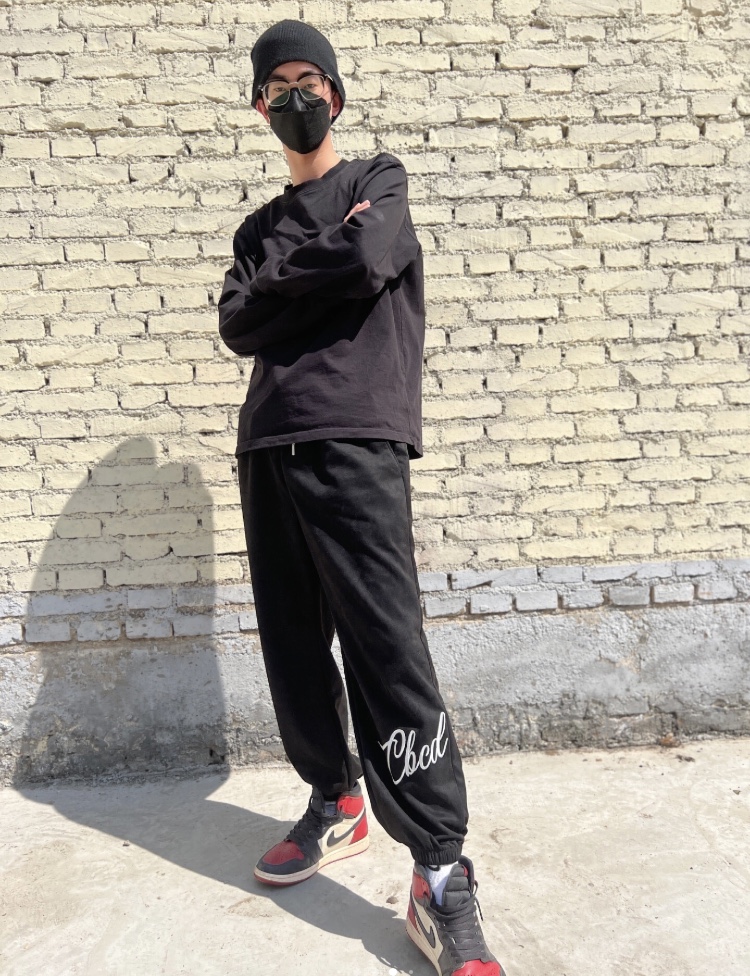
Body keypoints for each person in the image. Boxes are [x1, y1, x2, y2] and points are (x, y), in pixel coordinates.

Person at [217, 19, 506, 976]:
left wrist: (286, 286)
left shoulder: (378, 181)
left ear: (335, 94)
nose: (295, 98)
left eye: (310, 81)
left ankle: (439, 868)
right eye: (277, 87)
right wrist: (310, 271)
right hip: (268, 443)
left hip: (357, 436)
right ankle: (335, 796)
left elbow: (367, 258)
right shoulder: (254, 229)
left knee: (386, 646)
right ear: (260, 106)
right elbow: (237, 324)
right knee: (292, 644)